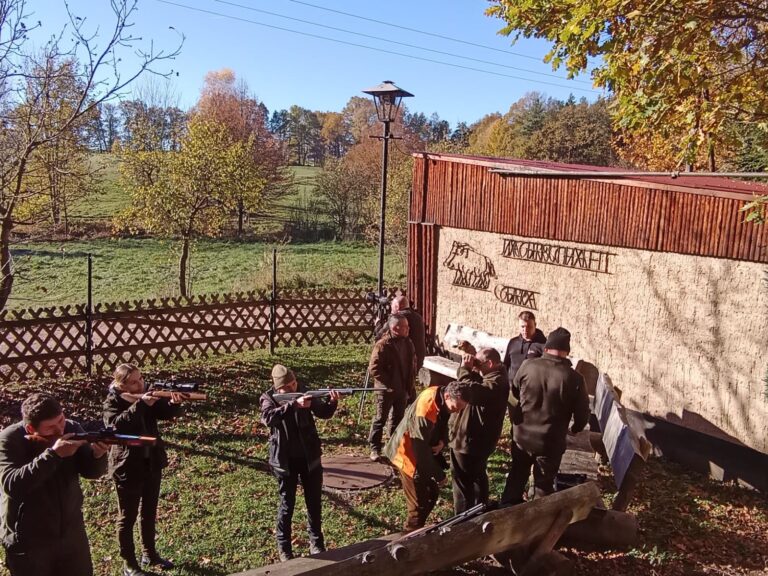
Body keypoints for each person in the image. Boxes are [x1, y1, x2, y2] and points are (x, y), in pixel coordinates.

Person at [0, 393, 108, 576]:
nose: (60, 430)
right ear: (30, 428)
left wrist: (98, 454)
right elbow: (12, 485)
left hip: (71, 533)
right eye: (50, 427)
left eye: (61, 420)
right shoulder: (9, 439)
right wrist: (53, 455)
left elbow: (90, 471)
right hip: (28, 539)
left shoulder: (71, 427)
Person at [103, 364, 184, 576]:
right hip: (127, 466)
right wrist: (140, 405)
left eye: (140, 379)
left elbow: (163, 413)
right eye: (133, 382)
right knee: (127, 517)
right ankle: (129, 564)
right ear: (121, 385)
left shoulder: (146, 394)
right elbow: (115, 427)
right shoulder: (113, 401)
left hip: (151, 462)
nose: (140, 384)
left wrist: (174, 404)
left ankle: (149, 553)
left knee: (149, 512)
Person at [500, 328, 590, 505]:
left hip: (522, 436)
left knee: (517, 475)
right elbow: (582, 414)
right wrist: (575, 429)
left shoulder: (527, 365)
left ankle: (506, 509)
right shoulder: (575, 378)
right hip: (550, 442)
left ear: (546, 348)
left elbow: (515, 391)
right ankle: (537, 517)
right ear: (567, 352)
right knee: (543, 485)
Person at [260, 364, 339, 562]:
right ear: (278, 388)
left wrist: (332, 402)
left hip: (309, 458)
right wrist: (293, 405)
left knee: (314, 502)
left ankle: (317, 543)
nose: (293, 388)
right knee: (287, 505)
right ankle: (284, 546)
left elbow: (323, 412)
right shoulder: (268, 398)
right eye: (287, 387)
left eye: (294, 383)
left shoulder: (305, 393)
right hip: (284, 461)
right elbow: (268, 418)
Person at [384, 381, 470, 531]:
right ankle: (409, 536)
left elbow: (443, 419)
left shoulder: (441, 397)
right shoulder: (425, 410)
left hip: (421, 455)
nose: (456, 412)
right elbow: (421, 452)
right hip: (407, 456)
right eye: (455, 408)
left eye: (460, 409)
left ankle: (419, 528)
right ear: (447, 396)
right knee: (418, 506)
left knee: (431, 493)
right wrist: (439, 475)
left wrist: (442, 441)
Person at [449, 347, 510, 513]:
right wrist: (475, 369)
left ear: (489, 363)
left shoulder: (496, 383)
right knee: (477, 475)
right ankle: (479, 509)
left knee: (462, 482)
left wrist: (465, 369)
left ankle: (461, 518)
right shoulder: (496, 376)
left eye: (479, 363)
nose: (476, 367)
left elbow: (468, 391)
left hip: (470, 440)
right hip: (480, 439)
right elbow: (478, 384)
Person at [367, 313, 417, 461]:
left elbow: (412, 365)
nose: (408, 328)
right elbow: (374, 368)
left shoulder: (408, 343)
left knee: (398, 419)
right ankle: (374, 448)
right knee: (380, 419)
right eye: (405, 326)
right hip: (385, 390)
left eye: (408, 326)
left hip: (403, 389)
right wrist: (388, 384)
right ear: (395, 328)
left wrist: (410, 386)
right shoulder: (383, 345)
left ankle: (392, 447)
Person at [503, 310, 547, 382]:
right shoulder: (513, 342)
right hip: (512, 386)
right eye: (522, 326)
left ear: (535, 325)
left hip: (531, 387)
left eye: (529, 326)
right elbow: (506, 365)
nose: (525, 330)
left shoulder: (543, 345)